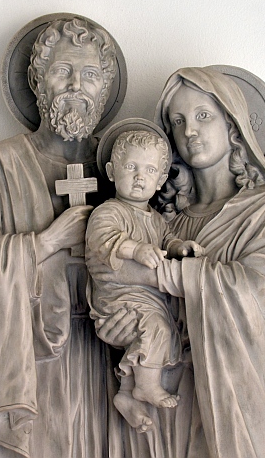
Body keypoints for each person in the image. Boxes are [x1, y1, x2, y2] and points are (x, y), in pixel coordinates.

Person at [89, 67, 265, 458]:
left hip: (227, 391)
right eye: (178, 121)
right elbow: (107, 265)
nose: (190, 130)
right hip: (159, 393)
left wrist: (160, 276)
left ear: (232, 123)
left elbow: (260, 293)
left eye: (203, 116)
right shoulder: (166, 220)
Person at [0, 17, 136, 458]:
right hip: (31, 368)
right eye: (61, 71)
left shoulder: (128, 170)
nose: (76, 86)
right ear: (36, 80)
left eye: (90, 75)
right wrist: (42, 244)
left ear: (104, 89)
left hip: (108, 362)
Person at [86, 128, 204, 410]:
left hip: (147, 299)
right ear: (112, 171)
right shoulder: (109, 212)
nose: (140, 177)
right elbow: (103, 240)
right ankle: (147, 387)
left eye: (150, 170)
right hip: (117, 299)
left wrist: (179, 248)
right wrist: (135, 249)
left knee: (156, 331)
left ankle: (127, 392)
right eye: (131, 167)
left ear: (161, 179)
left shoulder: (156, 219)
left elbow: (166, 241)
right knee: (154, 329)